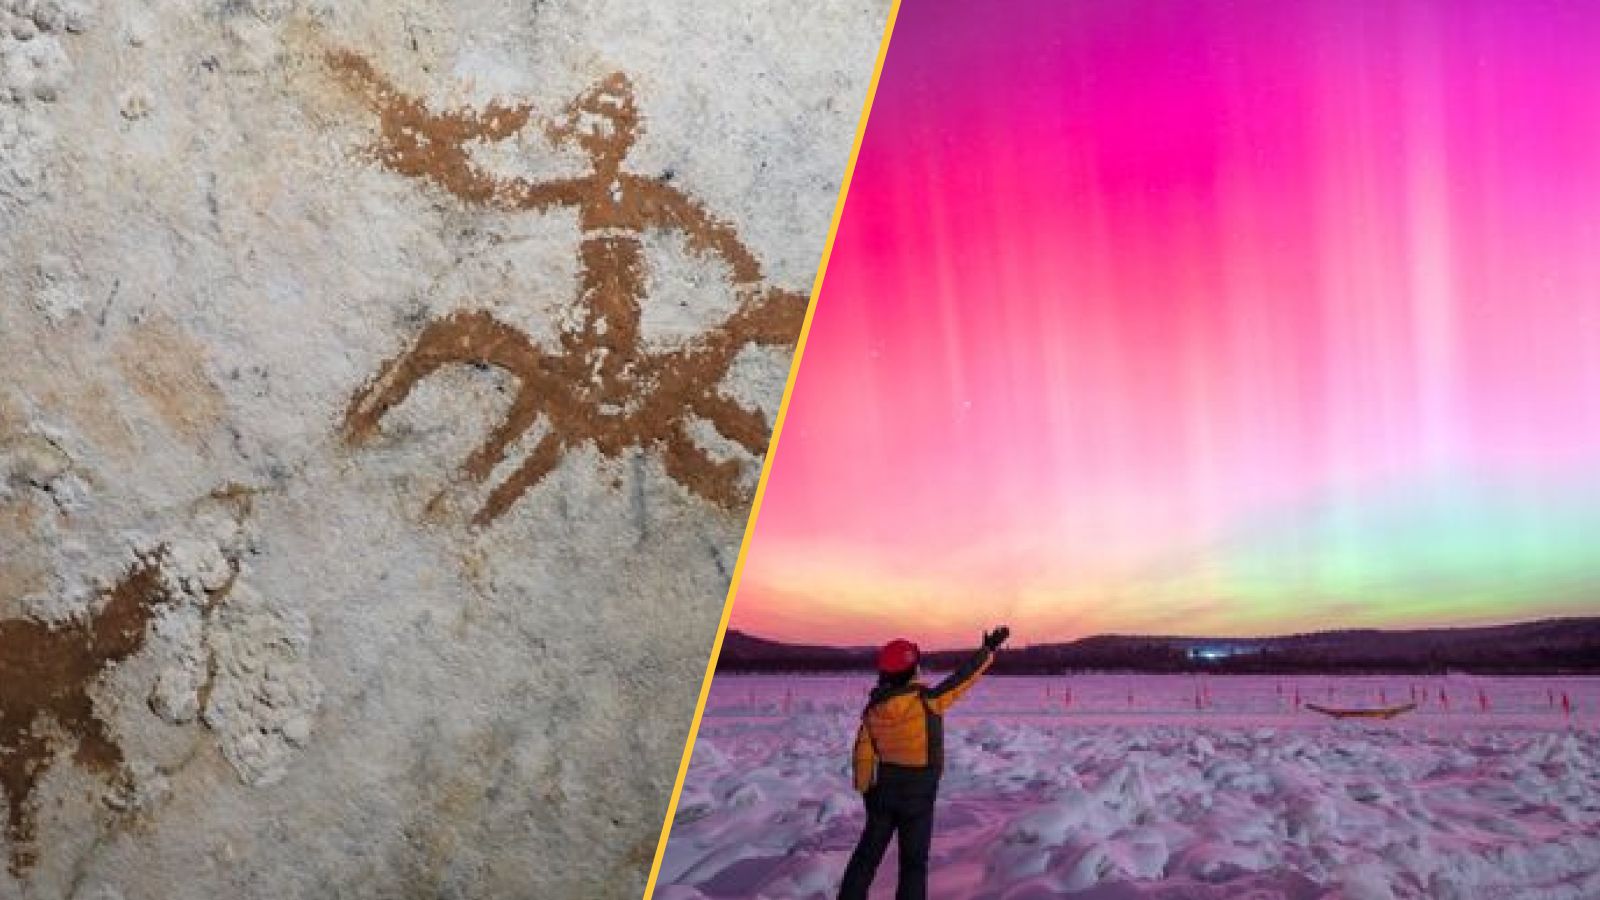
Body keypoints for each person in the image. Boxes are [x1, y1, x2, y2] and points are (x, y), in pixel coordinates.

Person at [838, 625, 1010, 900]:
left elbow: (863, 753)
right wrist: (988, 651)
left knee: (866, 858)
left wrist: (867, 791)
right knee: (913, 865)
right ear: (912, 669)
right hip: (918, 797)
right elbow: (962, 679)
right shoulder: (928, 701)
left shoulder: (873, 710)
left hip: (882, 794)